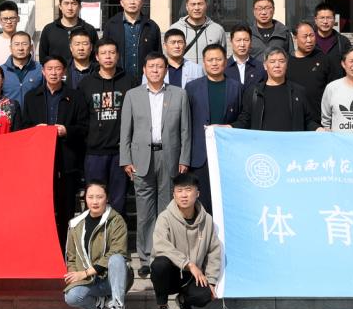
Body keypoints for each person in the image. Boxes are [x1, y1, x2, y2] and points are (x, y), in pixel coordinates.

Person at [119, 52, 191, 277]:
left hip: (169, 158)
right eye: (151, 66)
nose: (155, 70)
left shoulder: (179, 94)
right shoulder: (132, 95)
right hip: (141, 159)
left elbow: (185, 130)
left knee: (167, 210)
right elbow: (126, 130)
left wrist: (184, 158)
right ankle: (145, 257)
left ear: (166, 70)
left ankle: (165, 255)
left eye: (160, 66)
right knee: (144, 213)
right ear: (144, 70)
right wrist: (126, 159)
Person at [19, 56, 90, 251]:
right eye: (49, 68)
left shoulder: (75, 96)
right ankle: (43, 249)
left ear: (64, 72)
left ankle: (65, 249)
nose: (53, 72)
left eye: (57, 68)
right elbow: (24, 126)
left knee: (66, 208)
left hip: (67, 161)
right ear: (43, 71)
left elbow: (84, 127)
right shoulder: (32, 97)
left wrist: (67, 131)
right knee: (42, 209)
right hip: (40, 163)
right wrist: (36, 130)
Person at [149, 173, 221, 309]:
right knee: (159, 264)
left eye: (188, 190)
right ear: (174, 194)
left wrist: (212, 280)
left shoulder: (207, 220)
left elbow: (214, 251)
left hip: (191, 277)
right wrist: (188, 264)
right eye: (179, 191)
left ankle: (184, 300)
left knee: (205, 295)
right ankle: (163, 307)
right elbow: (160, 245)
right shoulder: (165, 217)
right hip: (170, 274)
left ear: (197, 193)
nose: (183, 195)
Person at [63, 180, 133, 309]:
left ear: (107, 198)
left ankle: (117, 308)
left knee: (116, 258)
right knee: (71, 297)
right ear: (85, 198)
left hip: (113, 278)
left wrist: (86, 272)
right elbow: (71, 256)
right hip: (90, 280)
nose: (95, 201)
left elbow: (117, 251)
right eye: (90, 197)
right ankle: (95, 307)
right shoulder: (75, 224)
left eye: (99, 197)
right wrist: (74, 275)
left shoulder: (116, 221)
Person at [80, 39, 136, 214]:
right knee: (95, 199)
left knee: (119, 201)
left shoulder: (129, 81)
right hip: (95, 153)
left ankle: (117, 232)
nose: (108, 57)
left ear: (118, 56)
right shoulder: (86, 84)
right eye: (103, 53)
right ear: (97, 57)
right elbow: (82, 118)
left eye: (112, 53)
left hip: (120, 153)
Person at [184, 43, 242, 212]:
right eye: (210, 60)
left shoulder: (236, 87)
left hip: (226, 154)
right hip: (200, 155)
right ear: (204, 62)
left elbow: (242, 119)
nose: (214, 63)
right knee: (202, 203)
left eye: (218, 59)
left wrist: (229, 127)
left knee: (226, 201)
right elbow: (186, 122)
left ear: (225, 62)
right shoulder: (192, 88)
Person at [234, 48, 321, 131]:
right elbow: (244, 121)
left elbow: (308, 121)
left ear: (286, 65)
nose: (277, 65)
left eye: (281, 61)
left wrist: (318, 129)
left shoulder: (298, 91)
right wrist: (230, 127)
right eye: (272, 61)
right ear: (265, 65)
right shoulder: (254, 92)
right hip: (262, 141)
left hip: (291, 141)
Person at [102, 0, 161, 77]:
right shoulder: (111, 25)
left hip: (145, 79)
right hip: (118, 78)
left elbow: (158, 55)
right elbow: (104, 51)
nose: (132, 2)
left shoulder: (151, 26)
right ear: (122, 3)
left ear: (141, 3)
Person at [287, 20, 335, 126]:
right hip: (292, 121)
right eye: (305, 36)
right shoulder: (287, 62)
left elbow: (334, 90)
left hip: (318, 121)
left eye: (312, 35)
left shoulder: (324, 59)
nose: (309, 40)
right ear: (295, 38)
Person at [39, 0, 99, 64]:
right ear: (60, 6)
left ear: (80, 7)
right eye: (66, 3)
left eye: (74, 4)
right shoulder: (49, 29)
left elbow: (96, 56)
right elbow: (43, 58)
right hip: (56, 71)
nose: (70, 8)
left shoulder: (89, 29)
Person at [168, 0, 226, 65]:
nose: (196, 8)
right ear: (187, 6)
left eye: (200, 4)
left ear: (206, 5)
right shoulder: (175, 29)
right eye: (193, 4)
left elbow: (222, 58)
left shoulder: (218, 30)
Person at [2, 31, 44, 104]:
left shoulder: (40, 69)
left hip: (33, 111)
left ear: (31, 47)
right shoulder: (1, 71)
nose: (20, 48)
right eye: (16, 44)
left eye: (24, 44)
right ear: (10, 48)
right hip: (9, 111)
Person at [314, 0, 352, 78]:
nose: (325, 21)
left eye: (329, 18)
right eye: (322, 18)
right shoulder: (309, 41)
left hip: (337, 85)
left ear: (334, 20)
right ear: (316, 20)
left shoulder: (343, 42)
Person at [225, 24, 263, 90]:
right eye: (238, 40)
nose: (242, 44)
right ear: (231, 41)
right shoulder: (224, 67)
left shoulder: (260, 67)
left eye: (246, 40)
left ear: (251, 42)